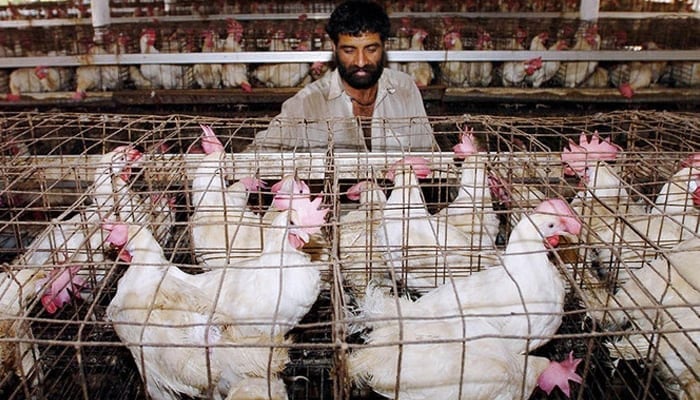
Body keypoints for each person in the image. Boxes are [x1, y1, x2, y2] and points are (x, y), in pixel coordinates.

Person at [247, 0, 436, 152]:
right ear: (333, 47)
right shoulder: (309, 103)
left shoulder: (404, 89)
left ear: (384, 46)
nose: (361, 61)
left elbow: (429, 150)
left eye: (371, 49)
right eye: (349, 50)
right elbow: (262, 150)